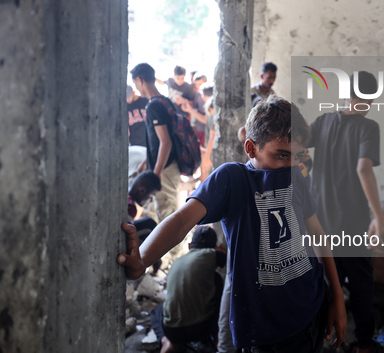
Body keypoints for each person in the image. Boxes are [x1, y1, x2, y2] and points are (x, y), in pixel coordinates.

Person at [118, 96, 347, 352]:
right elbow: (181, 220)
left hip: (311, 309)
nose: (291, 165)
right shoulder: (233, 179)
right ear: (251, 149)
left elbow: (317, 235)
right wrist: (143, 259)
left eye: (297, 156)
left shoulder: (297, 178)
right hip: (265, 333)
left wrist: (337, 296)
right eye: (282, 155)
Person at [307, 71, 384, 353]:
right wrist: (379, 215)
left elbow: (297, 147)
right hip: (351, 225)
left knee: (327, 285)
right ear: (371, 98)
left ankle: (324, 341)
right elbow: (363, 168)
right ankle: (363, 344)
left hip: (319, 225)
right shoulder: (368, 127)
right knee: (362, 286)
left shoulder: (322, 121)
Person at [149, 226, 226, 353]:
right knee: (217, 280)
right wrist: (219, 249)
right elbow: (229, 257)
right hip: (202, 329)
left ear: (190, 246)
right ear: (214, 247)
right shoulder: (212, 254)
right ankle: (218, 338)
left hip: (172, 331)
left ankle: (165, 341)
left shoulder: (177, 262)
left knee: (156, 311)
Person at [130, 63, 180, 223]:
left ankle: (175, 250)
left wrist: (155, 175)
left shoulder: (153, 107)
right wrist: (146, 163)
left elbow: (166, 143)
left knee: (168, 219)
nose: (136, 88)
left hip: (164, 169)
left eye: (135, 83)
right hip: (166, 166)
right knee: (161, 215)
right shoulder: (165, 101)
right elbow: (159, 142)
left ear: (140, 80)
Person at [128, 171, 162, 275]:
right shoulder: (130, 207)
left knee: (149, 223)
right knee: (151, 227)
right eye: (151, 196)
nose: (150, 201)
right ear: (142, 190)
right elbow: (126, 235)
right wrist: (153, 256)